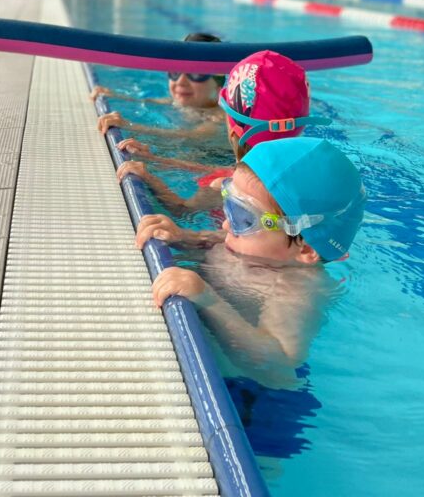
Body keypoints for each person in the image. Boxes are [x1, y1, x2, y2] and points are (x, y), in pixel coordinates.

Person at [135, 136, 365, 388]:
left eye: (243, 218)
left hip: (244, 393)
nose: (225, 224)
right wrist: (183, 237)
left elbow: (278, 369)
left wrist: (208, 300)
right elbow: (221, 240)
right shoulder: (251, 244)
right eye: (228, 203)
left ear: (306, 248)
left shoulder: (297, 289)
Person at [116, 50, 328, 216]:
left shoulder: (228, 187)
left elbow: (182, 209)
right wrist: (156, 159)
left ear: (234, 124)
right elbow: (224, 170)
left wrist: (148, 177)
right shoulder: (303, 178)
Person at [95, 32, 227, 141]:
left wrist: (129, 125)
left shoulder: (218, 118)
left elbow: (191, 136)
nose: (181, 81)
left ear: (218, 85)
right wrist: (115, 95)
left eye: (196, 73)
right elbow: (152, 102)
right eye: (175, 71)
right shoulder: (178, 102)